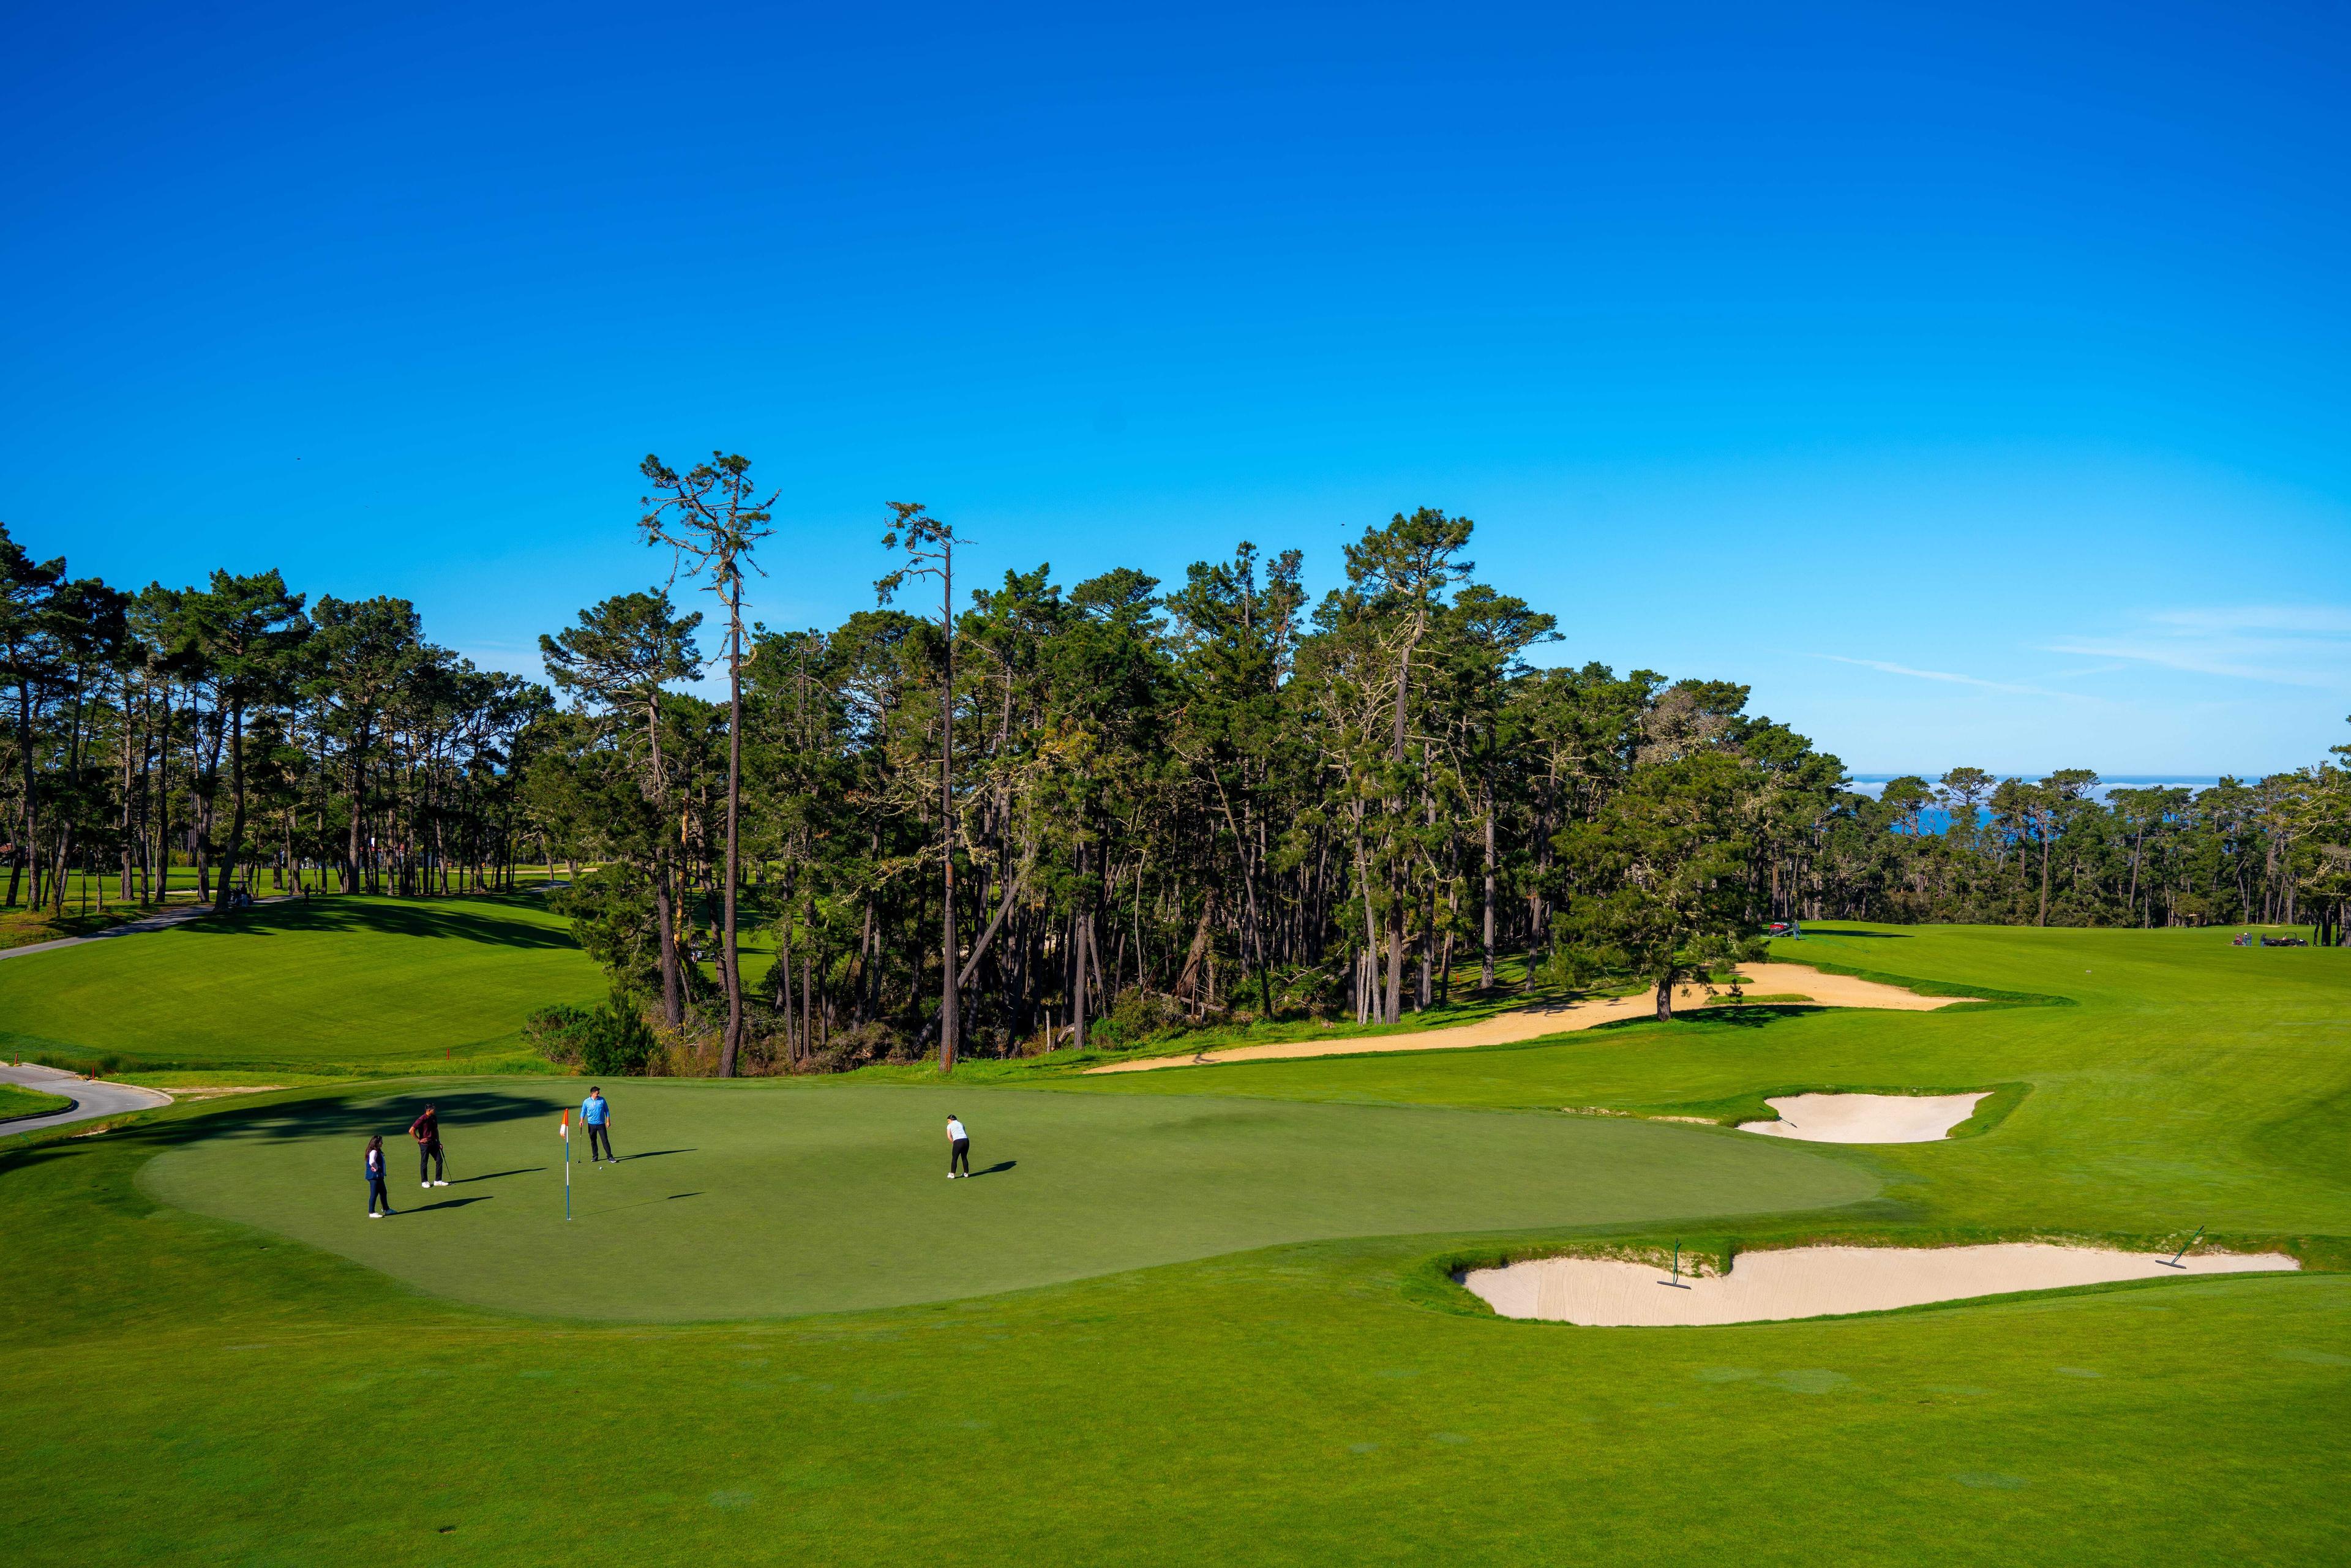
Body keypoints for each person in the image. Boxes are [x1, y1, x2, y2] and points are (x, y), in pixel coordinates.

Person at [409, 1102, 447, 1187]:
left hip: (434, 1143)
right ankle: (424, 1182)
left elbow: (436, 1130)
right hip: (425, 1145)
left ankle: (438, 1180)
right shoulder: (422, 1119)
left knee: (439, 1160)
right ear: (429, 1110)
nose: (435, 1110)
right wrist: (419, 1140)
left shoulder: (434, 1117)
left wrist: (439, 1142)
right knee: (424, 1162)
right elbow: (411, 1130)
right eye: (434, 1109)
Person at [582, 1086, 615, 1165]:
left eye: (599, 1093)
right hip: (591, 1125)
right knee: (593, 1141)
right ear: (592, 1093)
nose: (599, 1095)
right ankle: (595, 1157)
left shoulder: (602, 1100)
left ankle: (610, 1157)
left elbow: (607, 1110)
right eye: (597, 1093)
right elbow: (583, 1111)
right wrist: (581, 1120)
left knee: (605, 1141)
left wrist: (608, 1121)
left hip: (601, 1124)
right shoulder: (586, 1102)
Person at [365, 1136, 395, 1217]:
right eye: (381, 1142)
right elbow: (372, 1162)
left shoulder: (377, 1151)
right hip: (374, 1176)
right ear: (377, 1143)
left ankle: (387, 1209)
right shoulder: (374, 1152)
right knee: (374, 1194)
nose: (382, 1143)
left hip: (379, 1176)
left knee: (383, 1192)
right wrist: (377, 1167)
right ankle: (371, 1212)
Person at [947, 1114, 970, 1179]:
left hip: (958, 1142)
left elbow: (949, 1137)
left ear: (951, 1120)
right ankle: (966, 1173)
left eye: (948, 1121)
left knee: (954, 1158)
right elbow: (964, 1133)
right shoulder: (961, 1124)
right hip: (966, 1141)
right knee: (964, 1157)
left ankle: (952, 1174)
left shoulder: (949, 1125)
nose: (948, 1122)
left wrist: (954, 1143)